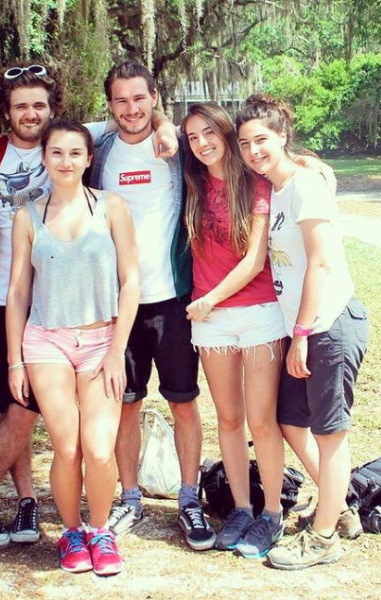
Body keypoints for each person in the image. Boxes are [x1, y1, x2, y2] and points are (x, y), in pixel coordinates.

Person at [0, 62, 176, 548]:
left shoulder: (75, 140)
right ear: (6, 113)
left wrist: (163, 124)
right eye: (20, 106)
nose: (30, 114)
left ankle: (22, 500)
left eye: (39, 105)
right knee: (20, 408)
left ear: (54, 111)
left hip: (73, 305)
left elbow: (137, 117)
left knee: (28, 412)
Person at [85, 61, 214, 551]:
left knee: (183, 402)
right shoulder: (99, 150)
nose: (131, 109)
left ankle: (188, 498)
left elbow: (232, 143)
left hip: (174, 298)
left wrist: (166, 127)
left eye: (140, 99)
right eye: (120, 100)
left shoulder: (179, 148)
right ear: (110, 104)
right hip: (118, 306)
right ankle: (131, 496)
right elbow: (66, 131)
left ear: (155, 96)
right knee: (126, 404)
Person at [236, 94, 368, 570]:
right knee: (291, 421)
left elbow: (322, 262)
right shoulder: (277, 189)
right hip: (308, 329)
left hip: (328, 324)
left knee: (331, 434)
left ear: (282, 136)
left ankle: (324, 536)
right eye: (246, 143)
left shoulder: (307, 186)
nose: (254, 151)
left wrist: (302, 332)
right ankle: (342, 505)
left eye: (262, 140)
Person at [6, 119, 140, 575]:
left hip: (102, 340)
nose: (65, 161)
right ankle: (70, 532)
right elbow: (19, 293)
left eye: (74, 153)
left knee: (100, 450)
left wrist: (117, 348)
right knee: (67, 448)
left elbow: (131, 280)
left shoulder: (111, 207)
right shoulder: (28, 215)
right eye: (56, 153)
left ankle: (99, 531)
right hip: (46, 343)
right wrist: (14, 361)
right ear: (44, 157)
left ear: (88, 158)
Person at [181, 102, 287, 558]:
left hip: (257, 311)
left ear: (225, 133)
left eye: (210, 133)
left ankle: (272, 514)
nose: (202, 143)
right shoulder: (190, 182)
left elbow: (255, 259)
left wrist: (209, 298)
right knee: (227, 417)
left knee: (262, 420)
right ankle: (242, 508)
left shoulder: (256, 183)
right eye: (192, 137)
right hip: (212, 323)